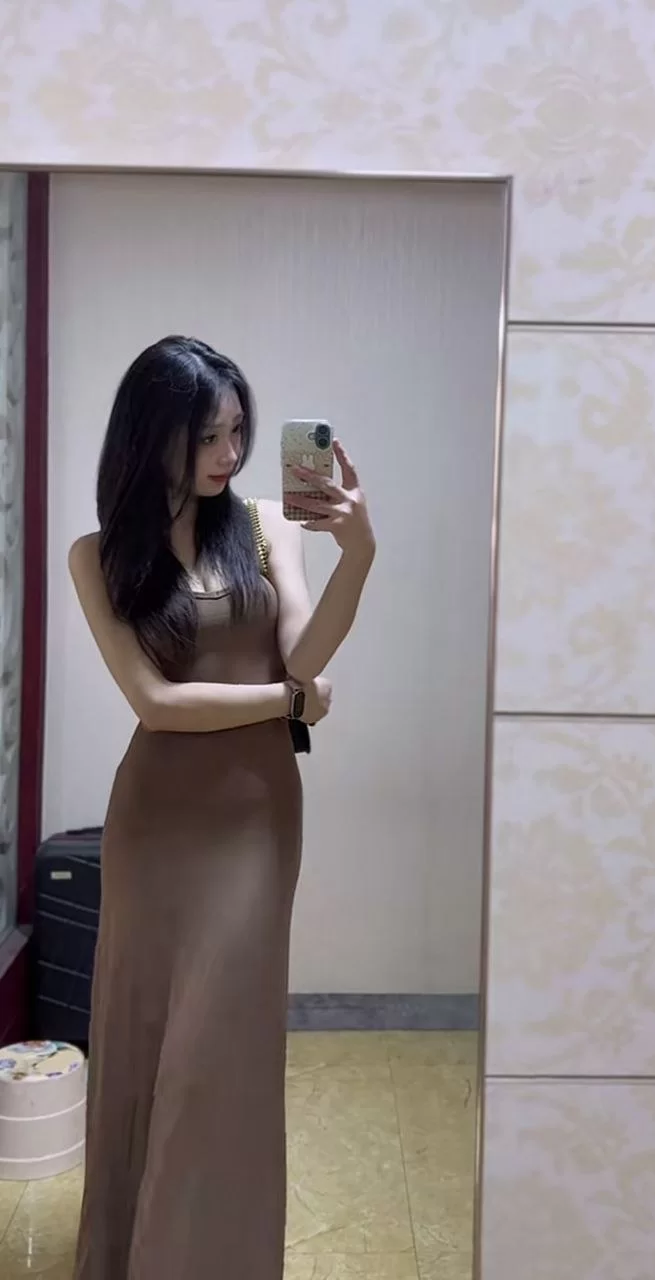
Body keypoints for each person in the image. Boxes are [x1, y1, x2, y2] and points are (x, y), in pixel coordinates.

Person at [69, 335, 375, 1280]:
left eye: (239, 430)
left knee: (222, 1050)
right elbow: (156, 703)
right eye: (207, 435)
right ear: (151, 434)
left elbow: (303, 651)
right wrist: (287, 702)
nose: (229, 454)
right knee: (143, 1038)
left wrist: (359, 555)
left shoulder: (268, 525)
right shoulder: (99, 555)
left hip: (255, 822)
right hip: (155, 820)